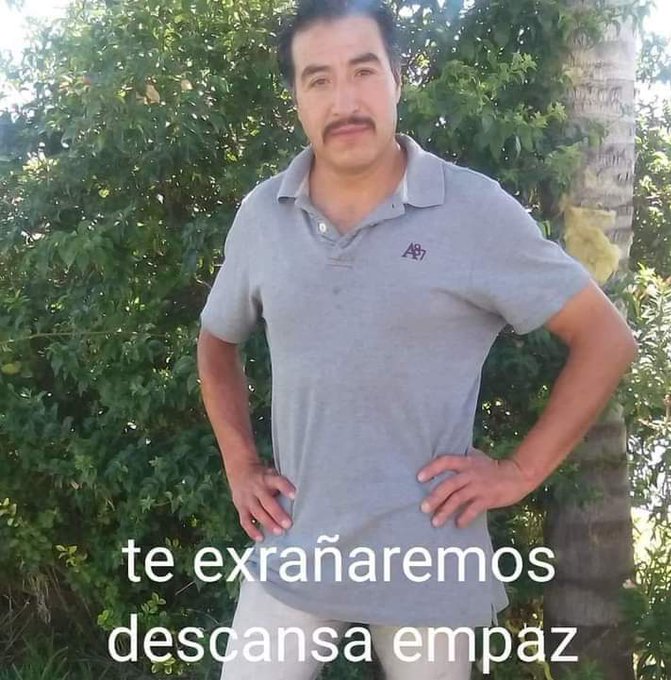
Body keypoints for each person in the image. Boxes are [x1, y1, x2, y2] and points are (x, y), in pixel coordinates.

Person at [196, 1, 638, 678]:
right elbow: (216, 341)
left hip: (428, 564)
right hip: (294, 548)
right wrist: (238, 463)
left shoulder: (473, 210)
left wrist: (520, 471)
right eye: (318, 79)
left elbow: (605, 339)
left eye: (363, 70)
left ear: (397, 78)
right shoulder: (263, 215)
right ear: (297, 98)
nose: (344, 100)